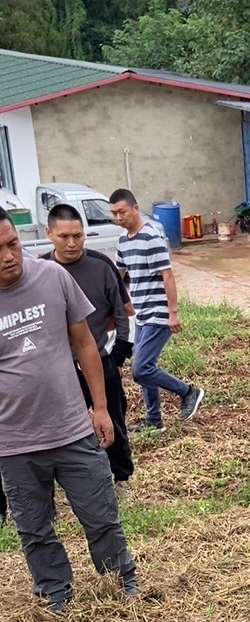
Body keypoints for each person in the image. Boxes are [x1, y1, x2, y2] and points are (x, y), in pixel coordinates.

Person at [0, 208, 137, 612]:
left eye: (12, 244)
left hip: (73, 428)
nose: (9, 256)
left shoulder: (52, 278)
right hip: (14, 442)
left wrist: (99, 407)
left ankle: (121, 581)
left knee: (101, 516)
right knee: (34, 528)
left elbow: (85, 344)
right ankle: (55, 593)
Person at [45, 203, 135, 492]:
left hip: (99, 359)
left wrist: (120, 352)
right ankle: (73, 485)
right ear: (49, 234)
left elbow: (122, 311)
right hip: (60, 367)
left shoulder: (100, 265)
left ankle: (122, 478)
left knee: (112, 421)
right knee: (63, 429)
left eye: (78, 235)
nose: (72, 243)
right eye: (64, 237)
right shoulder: (40, 270)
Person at [108, 188, 204, 432]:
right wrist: (111, 303)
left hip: (158, 312)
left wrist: (173, 312)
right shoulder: (122, 241)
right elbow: (119, 276)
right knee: (142, 369)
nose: (118, 218)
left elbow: (167, 275)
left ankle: (189, 392)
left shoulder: (151, 235)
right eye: (114, 213)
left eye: (122, 212)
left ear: (136, 209)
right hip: (141, 314)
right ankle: (154, 420)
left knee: (141, 368)